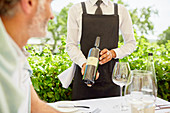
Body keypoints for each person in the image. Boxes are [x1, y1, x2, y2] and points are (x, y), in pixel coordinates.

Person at [66, 0, 136, 100]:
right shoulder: (76, 9)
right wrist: (84, 64)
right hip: (84, 77)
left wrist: (113, 53)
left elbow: (131, 43)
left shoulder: (120, 10)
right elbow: (71, 45)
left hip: (112, 78)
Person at [0, 0, 61, 113]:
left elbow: (35, 107)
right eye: (49, 3)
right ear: (29, 2)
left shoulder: (17, 53)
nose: (52, 16)